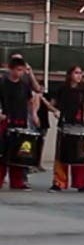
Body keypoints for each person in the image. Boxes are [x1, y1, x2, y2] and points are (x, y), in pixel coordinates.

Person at [49, 64, 84, 192]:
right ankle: (59, 182)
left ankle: (81, 183)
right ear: (70, 75)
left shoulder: (82, 90)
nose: (79, 76)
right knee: (62, 154)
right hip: (65, 125)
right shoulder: (62, 89)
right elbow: (51, 104)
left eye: (80, 73)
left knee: (80, 155)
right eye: (76, 73)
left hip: (79, 125)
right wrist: (55, 111)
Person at [0, 53, 37, 190]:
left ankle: (17, 182)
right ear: (11, 69)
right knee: (3, 152)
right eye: (17, 70)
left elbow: (30, 100)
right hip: (6, 120)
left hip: (21, 120)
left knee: (19, 153)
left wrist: (33, 115)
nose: (20, 73)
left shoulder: (24, 85)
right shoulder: (2, 83)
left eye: (22, 70)